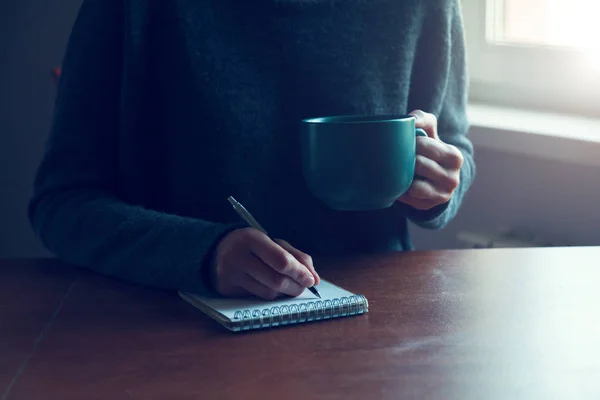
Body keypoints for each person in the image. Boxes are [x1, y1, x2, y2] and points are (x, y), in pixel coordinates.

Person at [28, 0, 475, 300]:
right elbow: (62, 203)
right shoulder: (132, 10)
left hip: (380, 323)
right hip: (173, 330)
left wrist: (440, 185)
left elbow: (454, 149)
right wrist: (202, 254)